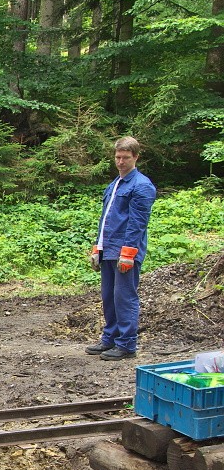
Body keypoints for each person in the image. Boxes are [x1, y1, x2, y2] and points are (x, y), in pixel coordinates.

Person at [86, 136, 157, 361]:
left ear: (136, 157)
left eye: (125, 158)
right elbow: (105, 219)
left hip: (125, 251)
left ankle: (127, 344)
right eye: (117, 157)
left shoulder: (142, 186)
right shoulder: (114, 184)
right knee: (109, 296)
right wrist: (98, 248)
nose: (120, 162)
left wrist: (128, 254)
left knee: (124, 296)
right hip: (108, 248)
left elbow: (137, 224)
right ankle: (110, 338)